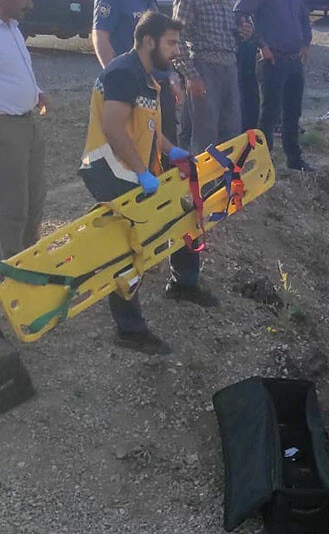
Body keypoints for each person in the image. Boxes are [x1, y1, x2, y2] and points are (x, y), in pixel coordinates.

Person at [79, 12, 220, 355]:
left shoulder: (148, 79)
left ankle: (184, 284)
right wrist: (143, 173)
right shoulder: (124, 73)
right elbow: (113, 128)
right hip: (110, 171)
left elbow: (150, 132)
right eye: (171, 43)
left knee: (184, 213)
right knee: (128, 248)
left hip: (135, 168)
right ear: (148, 41)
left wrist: (175, 153)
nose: (176, 51)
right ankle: (129, 329)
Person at [234, 0, 312, 172]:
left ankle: (294, 159)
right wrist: (260, 44)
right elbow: (239, 13)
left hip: (295, 60)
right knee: (270, 113)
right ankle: (263, 163)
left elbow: (304, 18)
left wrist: (306, 42)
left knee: (293, 112)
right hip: (272, 60)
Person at [92, 0, 181, 146]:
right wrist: (116, 77)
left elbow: (162, 42)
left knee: (165, 138)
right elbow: (100, 36)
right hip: (133, 84)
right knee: (137, 140)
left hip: (158, 83)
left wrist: (171, 77)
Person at [0, 0, 48, 259]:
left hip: (28, 123)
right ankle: (9, 274)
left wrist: (37, 93)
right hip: (6, 127)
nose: (29, 4)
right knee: (13, 203)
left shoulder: (14, 29)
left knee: (35, 196)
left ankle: (29, 261)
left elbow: (14, 73)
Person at [172, 0, 246, 153]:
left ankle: (226, 175)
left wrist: (243, 32)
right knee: (205, 135)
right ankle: (201, 175)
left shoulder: (228, 2)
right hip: (204, 67)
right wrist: (191, 75)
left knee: (232, 131)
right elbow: (176, 37)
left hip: (230, 67)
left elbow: (230, 35)